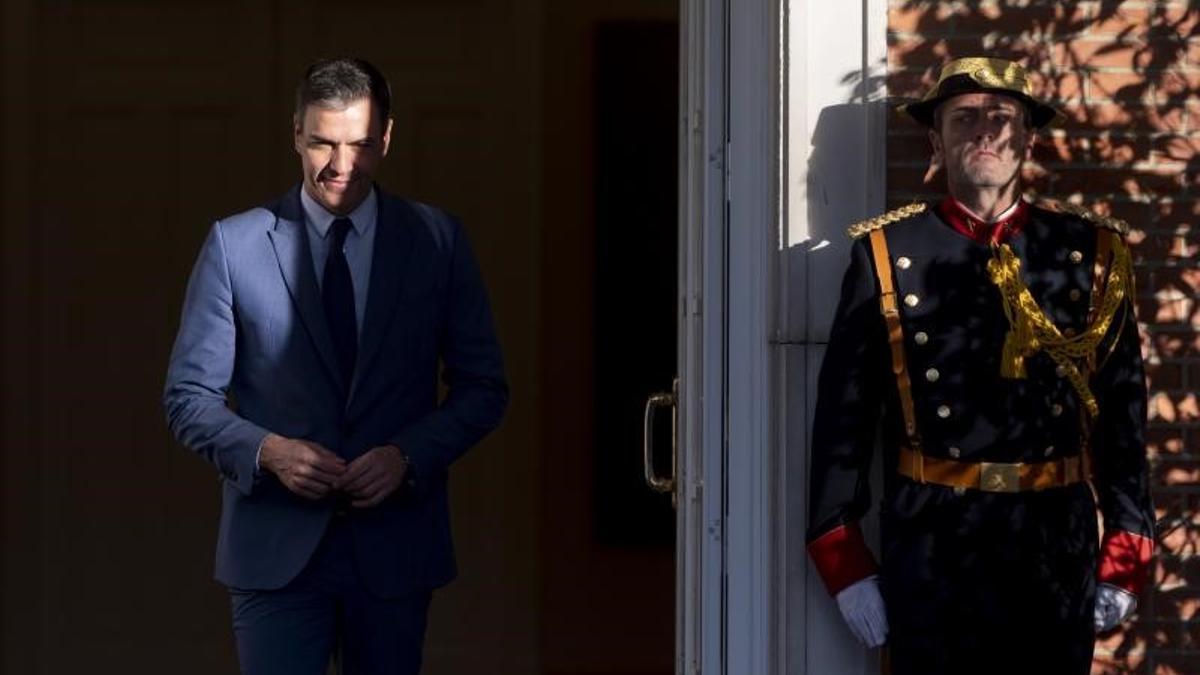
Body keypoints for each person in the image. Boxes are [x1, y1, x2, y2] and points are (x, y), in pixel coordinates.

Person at [805, 57, 1155, 674]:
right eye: (964, 118)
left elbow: (1122, 413)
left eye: (1002, 118)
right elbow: (844, 421)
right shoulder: (887, 254)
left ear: (1028, 138)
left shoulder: (1091, 254)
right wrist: (844, 560)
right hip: (933, 539)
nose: (985, 132)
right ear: (935, 140)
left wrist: (1126, 550)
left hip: (1053, 538)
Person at [163, 57, 508, 675]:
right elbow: (188, 396)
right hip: (274, 547)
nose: (341, 166)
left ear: (388, 138)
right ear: (296, 132)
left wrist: (405, 457)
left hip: (396, 544)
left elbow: (483, 388)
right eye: (322, 141)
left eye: (361, 145)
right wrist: (268, 451)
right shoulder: (235, 245)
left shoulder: (437, 241)